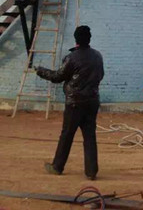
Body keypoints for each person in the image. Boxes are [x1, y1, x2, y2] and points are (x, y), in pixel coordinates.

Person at [36, 25, 104, 179]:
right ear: (89, 39)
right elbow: (101, 75)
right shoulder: (98, 56)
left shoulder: (72, 58)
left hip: (75, 102)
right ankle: (91, 171)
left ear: (76, 40)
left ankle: (57, 166)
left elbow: (57, 76)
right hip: (92, 101)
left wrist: (41, 71)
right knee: (90, 136)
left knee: (67, 134)